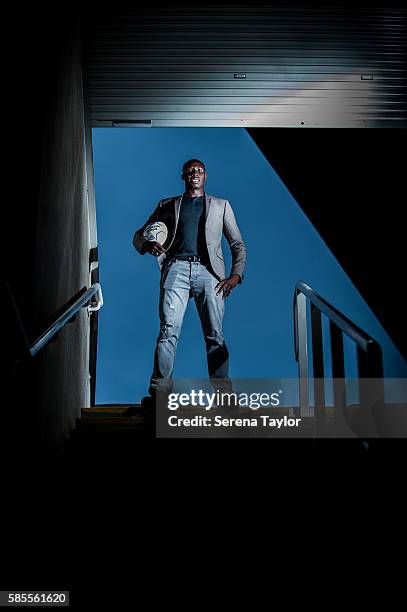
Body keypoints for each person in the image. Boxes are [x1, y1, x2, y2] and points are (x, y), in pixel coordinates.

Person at [133, 158, 246, 408]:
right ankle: (160, 394)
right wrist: (146, 244)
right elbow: (138, 235)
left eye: (199, 171)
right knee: (168, 331)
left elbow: (237, 244)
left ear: (205, 176)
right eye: (190, 171)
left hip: (210, 275)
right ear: (183, 176)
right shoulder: (167, 205)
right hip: (177, 270)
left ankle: (224, 395)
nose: (194, 173)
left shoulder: (221, 205)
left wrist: (236, 274)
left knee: (215, 335)